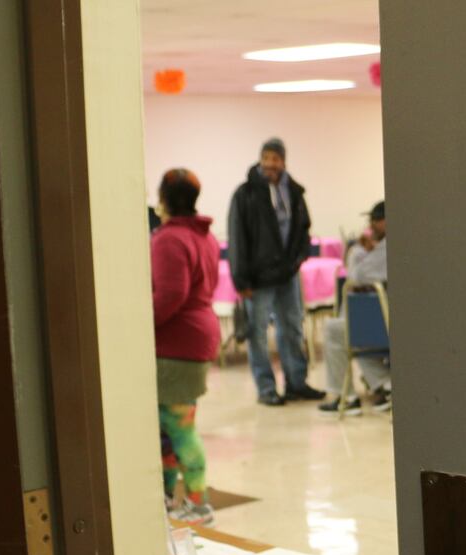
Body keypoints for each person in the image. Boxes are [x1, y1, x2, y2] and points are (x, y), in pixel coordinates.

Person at [226, 137, 325, 406]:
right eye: (266, 158)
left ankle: (296, 382)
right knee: (257, 334)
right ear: (260, 160)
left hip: (287, 275)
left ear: (283, 162)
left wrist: (298, 259)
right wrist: (240, 278)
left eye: (276, 159)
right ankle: (266, 388)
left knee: (292, 327)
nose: (271, 163)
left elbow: (303, 228)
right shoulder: (245, 194)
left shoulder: (294, 192)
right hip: (256, 279)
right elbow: (237, 238)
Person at [152, 168, 221, 524]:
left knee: (179, 427)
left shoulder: (169, 238)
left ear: (164, 197)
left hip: (176, 345)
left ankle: (198, 503)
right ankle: (164, 500)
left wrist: (133, 325)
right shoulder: (203, 235)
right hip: (196, 339)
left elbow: (169, 296)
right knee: (165, 428)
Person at [320, 202, 391, 415]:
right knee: (355, 332)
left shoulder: (388, 245)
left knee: (336, 330)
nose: (371, 227)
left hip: (386, 323)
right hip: (389, 319)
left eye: (374, 221)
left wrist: (358, 251)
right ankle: (386, 384)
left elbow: (357, 276)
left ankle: (346, 397)